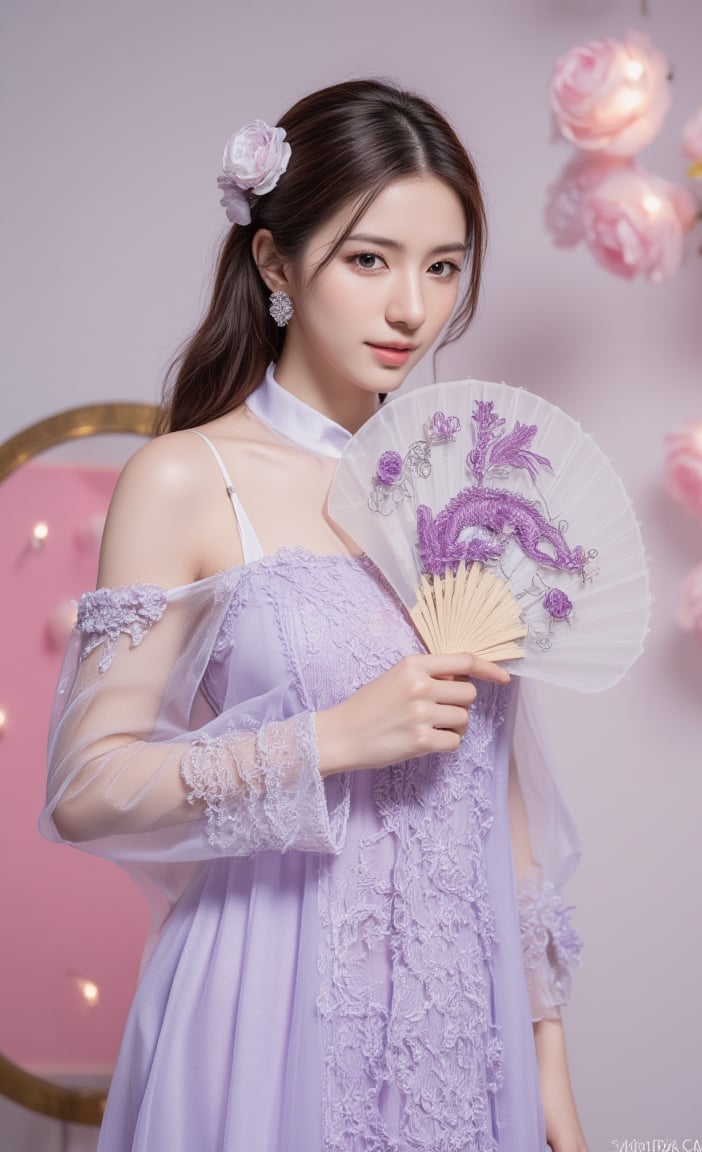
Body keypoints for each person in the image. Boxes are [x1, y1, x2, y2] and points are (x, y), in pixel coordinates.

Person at [41, 79, 588, 1151]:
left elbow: (506, 811)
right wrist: (329, 739)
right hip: (264, 1009)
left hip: (463, 1033)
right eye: (369, 259)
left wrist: (550, 1067)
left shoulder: (468, 492)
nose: (411, 310)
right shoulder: (186, 479)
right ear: (276, 262)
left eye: (442, 268)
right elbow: (86, 787)